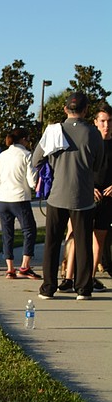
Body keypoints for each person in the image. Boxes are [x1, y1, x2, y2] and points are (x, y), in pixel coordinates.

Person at [32, 91, 104, 300]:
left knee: (52, 243)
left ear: (65, 109)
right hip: (83, 197)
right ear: (85, 110)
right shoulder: (92, 133)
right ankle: (83, 288)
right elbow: (97, 165)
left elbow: (36, 160)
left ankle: (48, 287)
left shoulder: (54, 131)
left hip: (57, 196)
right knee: (83, 244)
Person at [0, 127, 39, 279]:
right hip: (19, 198)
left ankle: (9, 268)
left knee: (7, 233)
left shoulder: (2, 155)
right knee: (29, 230)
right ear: (23, 140)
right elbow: (32, 181)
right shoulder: (27, 155)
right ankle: (25, 266)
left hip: (3, 198)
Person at [90, 101, 112, 290]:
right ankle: (71, 275)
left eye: (110, 121)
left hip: (107, 199)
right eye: (103, 121)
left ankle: (91, 276)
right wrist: (89, 187)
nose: (106, 125)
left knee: (100, 239)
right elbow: (80, 169)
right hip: (88, 196)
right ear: (96, 122)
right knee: (79, 237)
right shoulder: (90, 143)